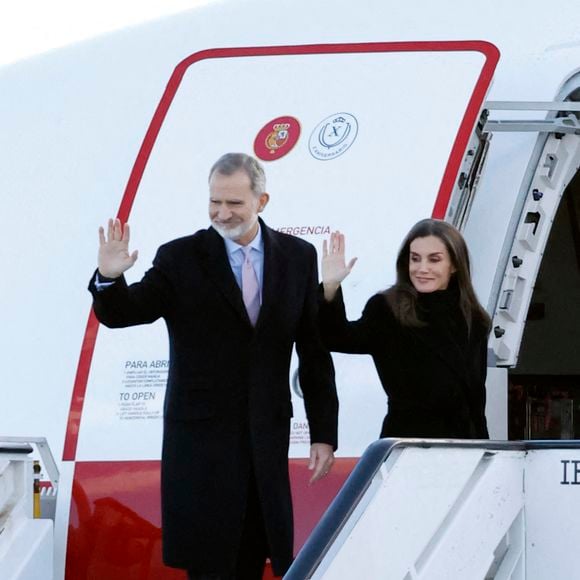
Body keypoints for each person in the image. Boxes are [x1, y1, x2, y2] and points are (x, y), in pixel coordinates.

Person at [88, 153, 338, 580]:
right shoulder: (180, 257)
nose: (222, 213)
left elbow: (314, 351)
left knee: (260, 557)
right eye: (214, 203)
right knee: (210, 563)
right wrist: (109, 279)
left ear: (262, 200)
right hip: (201, 447)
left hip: (265, 442)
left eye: (234, 204)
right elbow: (126, 312)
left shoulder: (298, 256)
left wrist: (324, 434)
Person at [319, 218, 490, 439]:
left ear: (454, 265)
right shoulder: (388, 309)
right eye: (415, 259)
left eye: (434, 260)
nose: (422, 269)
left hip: (462, 449)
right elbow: (336, 337)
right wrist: (331, 287)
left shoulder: (474, 318)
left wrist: (484, 451)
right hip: (407, 445)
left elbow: (476, 399)